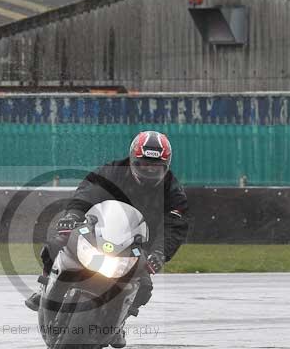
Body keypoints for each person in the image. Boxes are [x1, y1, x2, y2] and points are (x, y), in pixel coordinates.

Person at [25, 130, 190, 332]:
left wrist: (159, 253)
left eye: (155, 167)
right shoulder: (112, 171)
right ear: (132, 160)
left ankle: (119, 322)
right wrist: (73, 216)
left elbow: (174, 226)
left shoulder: (173, 191)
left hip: (136, 245)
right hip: (96, 232)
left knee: (144, 288)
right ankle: (45, 289)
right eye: (144, 165)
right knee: (56, 245)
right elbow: (88, 191)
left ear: (166, 166)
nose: (149, 171)